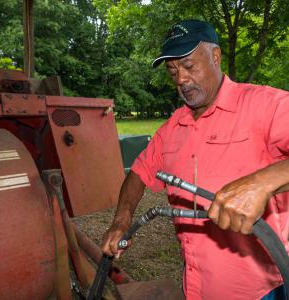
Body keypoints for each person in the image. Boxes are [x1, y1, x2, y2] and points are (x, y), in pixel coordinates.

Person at [101, 19, 289, 299]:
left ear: (215, 56)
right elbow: (138, 174)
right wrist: (121, 221)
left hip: (261, 291)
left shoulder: (265, 105)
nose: (180, 79)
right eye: (172, 71)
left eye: (188, 66)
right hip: (197, 287)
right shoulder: (172, 129)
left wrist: (263, 182)